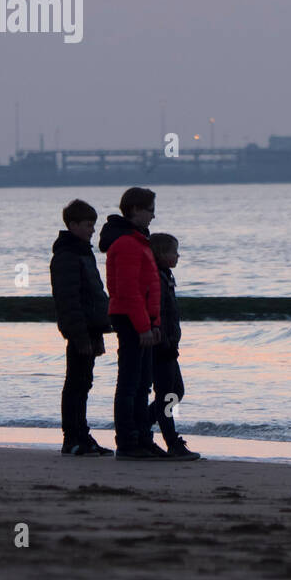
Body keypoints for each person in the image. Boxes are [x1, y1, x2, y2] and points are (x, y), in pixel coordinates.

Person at [99, 187, 163, 460]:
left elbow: (149, 288)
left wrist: (155, 322)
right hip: (129, 319)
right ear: (135, 210)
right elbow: (127, 290)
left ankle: (143, 438)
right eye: (150, 210)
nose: (153, 216)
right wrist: (143, 326)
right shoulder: (126, 243)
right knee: (130, 382)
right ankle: (127, 441)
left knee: (142, 383)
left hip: (142, 319)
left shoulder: (138, 241)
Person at [49, 198, 113, 456]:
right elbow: (68, 301)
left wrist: (102, 325)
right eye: (88, 225)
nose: (92, 230)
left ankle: (82, 434)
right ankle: (72, 437)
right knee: (76, 383)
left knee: (84, 382)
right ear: (73, 225)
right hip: (80, 329)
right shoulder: (67, 256)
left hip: (91, 327)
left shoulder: (83, 253)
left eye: (93, 225)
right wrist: (79, 335)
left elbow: (95, 293)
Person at [146, 232, 199, 460]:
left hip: (169, 345)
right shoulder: (156, 278)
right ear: (161, 254)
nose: (178, 256)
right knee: (168, 394)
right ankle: (172, 441)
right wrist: (165, 341)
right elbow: (158, 313)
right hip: (161, 346)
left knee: (175, 392)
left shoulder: (165, 276)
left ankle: (141, 423)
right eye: (173, 252)